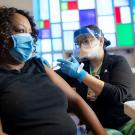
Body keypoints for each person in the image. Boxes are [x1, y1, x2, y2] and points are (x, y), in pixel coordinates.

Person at [0, 6, 107, 135]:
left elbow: (77, 102)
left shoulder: (39, 66)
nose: (28, 38)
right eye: (21, 30)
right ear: (3, 34)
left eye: (29, 33)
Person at [57, 25, 135, 135]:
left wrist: (81, 75)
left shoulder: (117, 62)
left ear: (101, 41)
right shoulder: (77, 67)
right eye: (79, 43)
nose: (82, 46)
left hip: (127, 121)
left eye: (86, 41)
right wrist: (41, 66)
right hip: (99, 126)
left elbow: (118, 94)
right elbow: (53, 77)